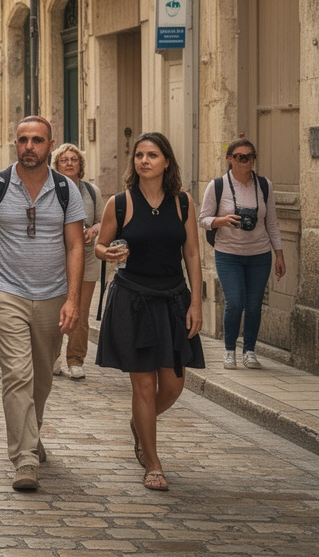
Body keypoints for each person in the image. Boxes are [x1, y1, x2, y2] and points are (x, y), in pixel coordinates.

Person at [0, 116, 86, 492]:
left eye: (37, 140)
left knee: (42, 377)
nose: (29, 146)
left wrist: (72, 300)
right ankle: (24, 457)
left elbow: (75, 245)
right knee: (17, 374)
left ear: (50, 144)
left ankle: (30, 434)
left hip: (51, 295)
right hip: (6, 292)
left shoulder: (67, 190)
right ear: (14, 143)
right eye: (22, 140)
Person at [95, 132, 204, 492]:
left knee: (173, 384)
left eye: (152, 155)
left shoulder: (183, 203)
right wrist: (105, 253)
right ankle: (153, 462)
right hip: (133, 301)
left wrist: (196, 303)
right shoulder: (120, 203)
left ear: (166, 162)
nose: (144, 160)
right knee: (143, 383)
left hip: (173, 299)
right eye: (139, 155)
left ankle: (141, 424)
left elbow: (191, 254)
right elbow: (100, 244)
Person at [198, 139, 283, 369]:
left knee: (254, 305)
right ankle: (229, 351)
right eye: (239, 156)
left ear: (254, 159)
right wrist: (222, 221)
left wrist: (279, 254)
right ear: (229, 159)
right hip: (228, 254)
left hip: (260, 254)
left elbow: (272, 223)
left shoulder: (265, 185)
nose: (244, 161)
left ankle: (249, 351)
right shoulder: (217, 186)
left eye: (249, 157)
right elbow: (203, 220)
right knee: (235, 302)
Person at [50, 143, 103, 381]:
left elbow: (103, 221)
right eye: (64, 160)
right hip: (56, 257)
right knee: (54, 309)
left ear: (80, 165)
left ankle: (76, 360)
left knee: (80, 311)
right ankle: (53, 356)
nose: (70, 163)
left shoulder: (92, 191)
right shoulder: (50, 189)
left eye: (74, 159)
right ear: (57, 165)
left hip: (88, 257)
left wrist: (93, 231)